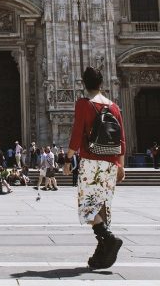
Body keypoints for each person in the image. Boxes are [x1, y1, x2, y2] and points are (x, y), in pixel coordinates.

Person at [63, 66, 126, 270]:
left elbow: (76, 133)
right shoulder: (114, 106)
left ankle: (109, 239)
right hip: (111, 163)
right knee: (102, 207)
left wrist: (67, 160)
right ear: (102, 84)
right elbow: (122, 139)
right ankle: (102, 254)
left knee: (88, 208)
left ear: (83, 83)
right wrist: (121, 166)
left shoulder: (84, 103)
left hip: (92, 161)